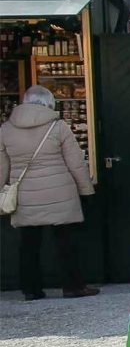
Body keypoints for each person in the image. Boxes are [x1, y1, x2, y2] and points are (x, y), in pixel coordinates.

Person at [1, 84, 97, 299]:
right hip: (60, 192)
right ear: (48, 103)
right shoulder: (58, 127)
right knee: (66, 242)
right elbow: (76, 163)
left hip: (25, 194)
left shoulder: (5, 130)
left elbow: (2, 167)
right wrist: (87, 191)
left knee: (28, 244)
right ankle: (73, 287)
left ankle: (31, 290)